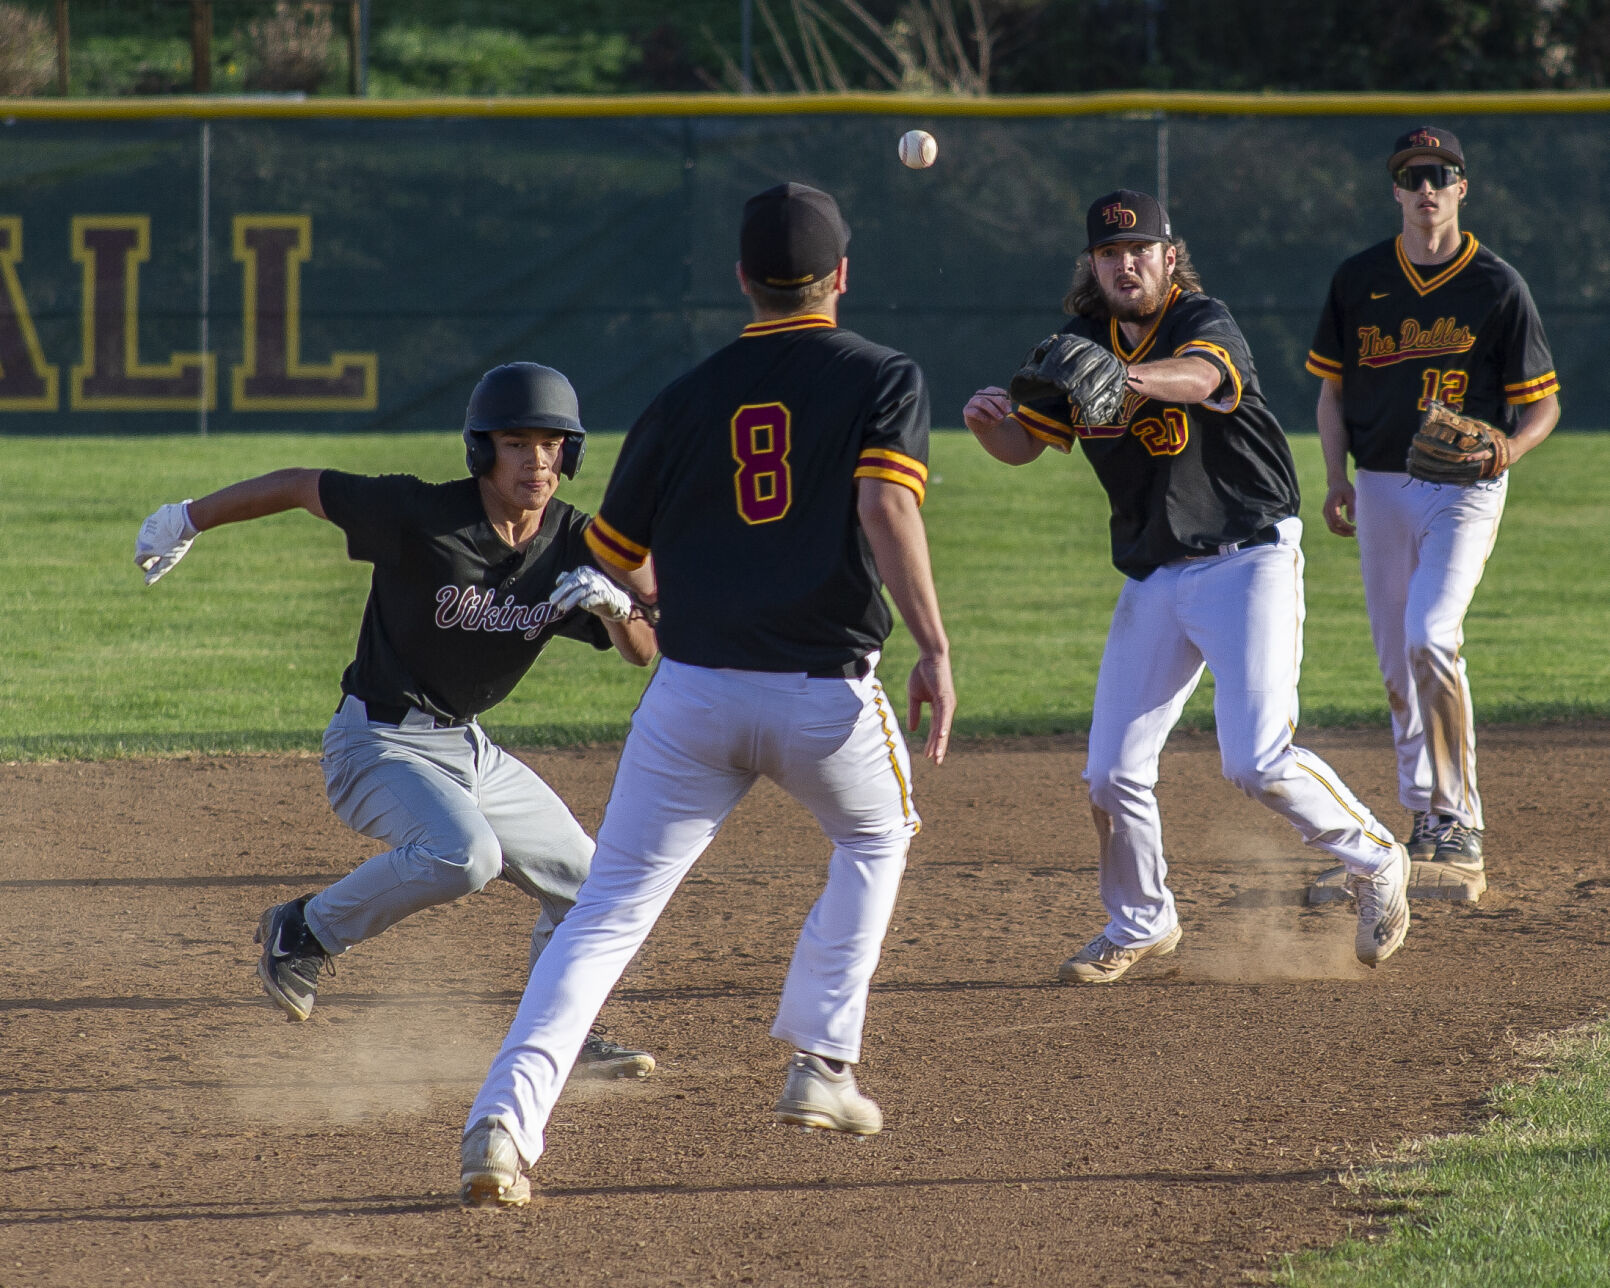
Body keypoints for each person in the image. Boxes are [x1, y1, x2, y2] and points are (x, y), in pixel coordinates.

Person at [457, 181, 955, 1208]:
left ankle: (502, 1121)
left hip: (690, 697)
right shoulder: (882, 374)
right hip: (822, 696)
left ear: (742, 281)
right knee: (876, 837)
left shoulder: (683, 397)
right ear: (840, 276)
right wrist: (935, 646)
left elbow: (611, 552)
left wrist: (679, 588)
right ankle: (821, 1065)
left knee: (605, 915)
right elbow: (884, 507)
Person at [133, 361, 661, 1079]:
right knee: (466, 855)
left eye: (550, 444)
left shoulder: (575, 541)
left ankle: (557, 1036)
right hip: (375, 742)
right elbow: (301, 485)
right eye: (515, 443)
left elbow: (643, 650)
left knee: (591, 890)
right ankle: (304, 929)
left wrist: (618, 608)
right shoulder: (422, 515)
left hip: (467, 750)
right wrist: (187, 517)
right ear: (481, 450)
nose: (536, 461)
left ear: (570, 453)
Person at [962, 189, 1409, 986]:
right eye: (1109, 253)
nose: (1125, 264)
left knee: (1257, 760)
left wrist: (1127, 375)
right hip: (1156, 573)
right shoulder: (1077, 343)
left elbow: (1202, 379)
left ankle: (1375, 857)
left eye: (1140, 249)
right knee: (1110, 773)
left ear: (1170, 257)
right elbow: (1023, 444)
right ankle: (1141, 919)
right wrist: (989, 422)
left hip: (1248, 560)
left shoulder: (1202, 320)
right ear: (1092, 265)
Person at [1306, 126, 1560, 898]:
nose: (1426, 188)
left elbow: (1543, 406)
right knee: (1396, 660)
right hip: (1380, 484)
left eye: (1440, 175)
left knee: (1431, 634)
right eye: (1413, 175)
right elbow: (1332, 393)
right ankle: (1425, 817)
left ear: (1461, 188)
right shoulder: (1359, 279)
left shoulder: (1496, 284)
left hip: (1465, 488)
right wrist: (1335, 477)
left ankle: (1459, 819)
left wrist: (1508, 449)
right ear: (1396, 189)